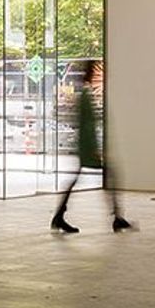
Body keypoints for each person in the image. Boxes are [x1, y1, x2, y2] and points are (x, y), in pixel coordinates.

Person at [50, 59, 130, 233]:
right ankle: (117, 217)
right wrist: (94, 149)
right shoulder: (86, 95)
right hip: (87, 147)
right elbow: (86, 126)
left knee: (80, 179)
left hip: (85, 147)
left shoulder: (85, 93)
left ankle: (59, 216)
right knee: (112, 175)